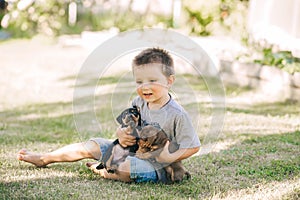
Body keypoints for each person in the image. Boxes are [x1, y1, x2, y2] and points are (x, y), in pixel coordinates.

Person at [17, 47, 201, 183]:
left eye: (152, 80)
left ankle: (102, 169)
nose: (144, 86)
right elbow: (127, 126)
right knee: (93, 145)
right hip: (130, 151)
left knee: (127, 167)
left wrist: (168, 158)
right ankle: (45, 158)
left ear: (169, 81)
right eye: (139, 81)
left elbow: (193, 147)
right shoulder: (139, 102)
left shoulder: (177, 114)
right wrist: (121, 133)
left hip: (156, 166)